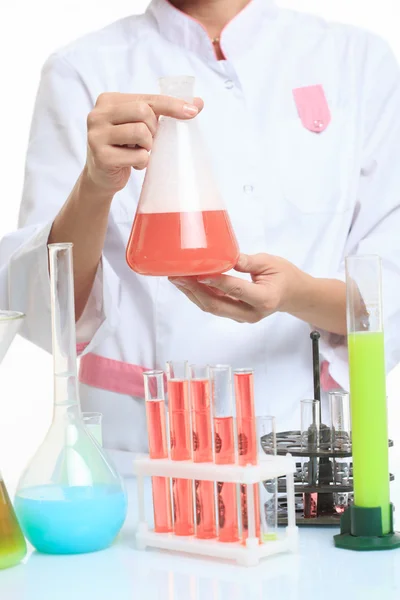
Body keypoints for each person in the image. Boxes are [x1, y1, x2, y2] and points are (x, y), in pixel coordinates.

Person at [1, 0, 400, 472]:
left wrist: (297, 294)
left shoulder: (357, 61)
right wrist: (95, 183)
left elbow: (386, 293)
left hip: (306, 449)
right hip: (142, 454)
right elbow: (47, 311)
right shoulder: (83, 68)